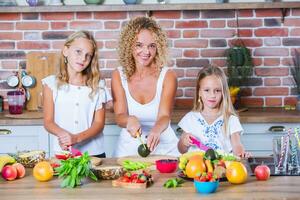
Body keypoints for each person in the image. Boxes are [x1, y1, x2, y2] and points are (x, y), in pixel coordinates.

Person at [112, 16, 179, 157]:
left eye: (152, 46)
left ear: (158, 47)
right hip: (129, 149)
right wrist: (129, 120)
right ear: (129, 45)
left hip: (164, 148)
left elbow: (165, 115)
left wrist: (156, 130)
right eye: (139, 45)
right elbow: (119, 116)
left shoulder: (168, 76)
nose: (146, 51)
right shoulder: (118, 75)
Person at [42, 30, 111, 158]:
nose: (83, 58)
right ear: (65, 51)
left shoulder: (98, 85)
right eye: (78, 51)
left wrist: (76, 138)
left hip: (94, 154)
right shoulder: (51, 84)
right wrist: (63, 135)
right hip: (64, 153)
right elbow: (48, 121)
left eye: (88, 55)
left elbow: (99, 124)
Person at [177, 65, 251, 158]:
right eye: (207, 90)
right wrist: (184, 142)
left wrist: (241, 154)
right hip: (196, 169)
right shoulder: (190, 118)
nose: (212, 95)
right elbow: (181, 149)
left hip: (222, 169)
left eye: (217, 90)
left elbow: (237, 146)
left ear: (223, 93)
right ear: (199, 92)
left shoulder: (230, 119)